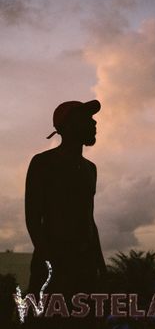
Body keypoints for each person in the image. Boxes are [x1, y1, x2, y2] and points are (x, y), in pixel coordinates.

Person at [25, 100, 107, 326]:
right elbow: (33, 217)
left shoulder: (90, 168)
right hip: (54, 264)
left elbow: (89, 218)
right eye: (87, 118)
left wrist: (101, 267)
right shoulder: (43, 163)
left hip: (85, 265)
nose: (94, 122)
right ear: (68, 126)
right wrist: (51, 263)